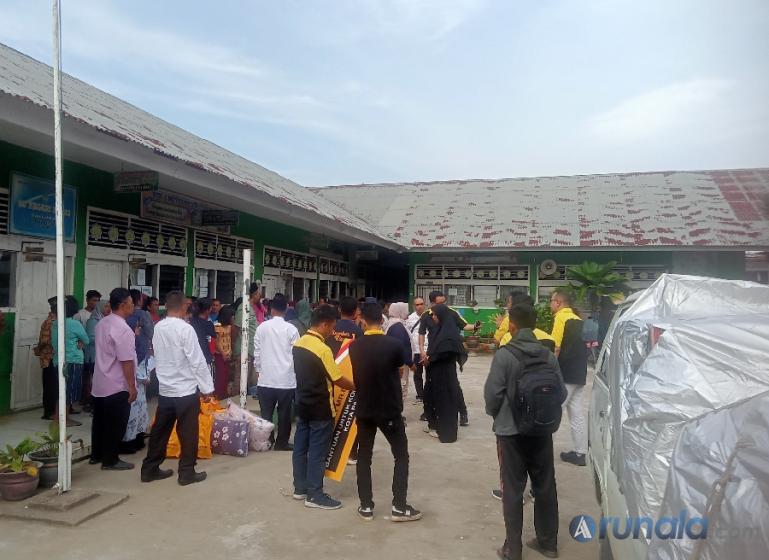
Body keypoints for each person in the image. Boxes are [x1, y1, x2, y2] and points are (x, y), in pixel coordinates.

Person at [485, 304, 565, 560]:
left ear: (512, 325)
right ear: (534, 325)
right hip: (542, 431)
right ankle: (548, 543)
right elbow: (561, 393)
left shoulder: (504, 355)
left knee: (512, 488)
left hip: (510, 433)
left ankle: (513, 549)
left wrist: (499, 415)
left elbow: (492, 396)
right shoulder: (548, 355)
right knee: (544, 485)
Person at [349, 303, 422, 522]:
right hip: (389, 409)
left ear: (362, 320)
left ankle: (366, 506)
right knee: (401, 456)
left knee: (364, 456)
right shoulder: (394, 345)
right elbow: (401, 371)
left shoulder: (355, 347)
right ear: (382, 321)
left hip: (364, 409)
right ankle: (399, 506)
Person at [141, 291, 215, 486]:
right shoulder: (185, 329)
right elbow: (197, 361)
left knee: (160, 431)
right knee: (188, 432)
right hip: (185, 390)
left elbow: (157, 354)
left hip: (166, 389)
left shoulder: (158, 327)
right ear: (183, 307)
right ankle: (186, 472)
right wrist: (207, 388)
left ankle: (149, 469)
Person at [291, 304, 354, 510]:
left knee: (301, 447)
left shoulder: (299, 343)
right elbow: (336, 379)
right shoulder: (322, 349)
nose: (333, 331)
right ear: (325, 324)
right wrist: (357, 386)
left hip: (302, 404)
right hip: (320, 407)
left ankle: (300, 488)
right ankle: (315, 494)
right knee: (318, 452)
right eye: (332, 326)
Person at [91, 288, 138, 471]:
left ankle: (97, 455)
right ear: (124, 305)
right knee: (116, 424)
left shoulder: (102, 323)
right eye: (132, 303)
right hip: (117, 384)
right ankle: (110, 460)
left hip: (101, 381)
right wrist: (132, 387)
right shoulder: (123, 329)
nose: (133, 306)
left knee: (100, 422)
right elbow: (126, 361)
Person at [418, 291, 477, 427]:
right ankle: (430, 413)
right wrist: (422, 351)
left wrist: (475, 327)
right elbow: (421, 334)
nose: (443, 306)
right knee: (431, 384)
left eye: (444, 302)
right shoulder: (426, 315)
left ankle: (462, 413)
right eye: (439, 303)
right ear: (432, 303)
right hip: (433, 354)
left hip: (448, 353)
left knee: (453, 384)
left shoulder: (451, 313)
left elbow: (464, 325)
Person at [254, 294, 299, 451]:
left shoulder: (261, 328)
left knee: (266, 413)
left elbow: (257, 352)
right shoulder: (291, 329)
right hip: (286, 380)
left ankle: (267, 441)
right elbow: (296, 354)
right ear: (286, 309)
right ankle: (282, 443)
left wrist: (259, 370)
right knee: (284, 413)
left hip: (266, 378)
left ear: (271, 309)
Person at [550, 288, 588, 467]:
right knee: (577, 413)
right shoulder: (579, 320)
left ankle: (543, 450)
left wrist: (548, 370)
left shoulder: (561, 317)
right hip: (579, 374)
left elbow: (555, 347)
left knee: (553, 410)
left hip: (565, 373)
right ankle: (580, 453)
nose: (550, 304)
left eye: (552, 301)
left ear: (558, 302)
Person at [422, 303, 467, 443]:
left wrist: (431, 358)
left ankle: (448, 434)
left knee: (446, 403)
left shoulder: (448, 335)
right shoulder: (441, 330)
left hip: (445, 377)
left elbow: (447, 352)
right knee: (437, 402)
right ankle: (439, 428)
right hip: (438, 375)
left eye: (435, 314)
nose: (433, 317)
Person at [51, 295, 90, 424]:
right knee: (69, 391)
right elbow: (86, 340)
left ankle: (58, 417)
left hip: (58, 361)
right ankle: (64, 419)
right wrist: (80, 341)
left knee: (61, 390)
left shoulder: (55, 323)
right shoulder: (74, 324)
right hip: (73, 361)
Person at [84, 299, 111, 413]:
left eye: (109, 306)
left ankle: (97, 404)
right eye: (106, 307)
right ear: (100, 307)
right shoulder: (93, 321)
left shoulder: (105, 320)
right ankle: (93, 405)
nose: (108, 309)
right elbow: (90, 339)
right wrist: (106, 340)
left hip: (102, 357)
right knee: (96, 381)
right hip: (93, 355)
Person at [385, 302, 414, 406]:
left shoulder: (392, 323)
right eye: (406, 310)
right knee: (401, 386)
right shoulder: (398, 327)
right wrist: (410, 363)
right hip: (400, 364)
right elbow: (403, 347)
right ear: (400, 311)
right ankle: (398, 413)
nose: (408, 313)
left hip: (393, 362)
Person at [233, 285, 259, 395]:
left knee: (247, 381)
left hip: (251, 349)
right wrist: (232, 344)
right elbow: (236, 328)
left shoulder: (251, 308)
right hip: (244, 350)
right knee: (240, 381)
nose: (260, 296)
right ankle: (235, 406)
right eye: (258, 293)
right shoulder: (244, 307)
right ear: (254, 294)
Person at [34, 298, 57, 420]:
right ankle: (48, 412)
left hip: (52, 357)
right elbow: (44, 341)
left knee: (52, 385)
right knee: (50, 385)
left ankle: (52, 411)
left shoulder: (55, 321)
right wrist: (38, 349)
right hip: (49, 358)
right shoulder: (51, 322)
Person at [405, 297, 427, 403]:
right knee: (417, 375)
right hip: (416, 351)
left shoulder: (430, 316)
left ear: (425, 304)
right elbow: (407, 335)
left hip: (428, 351)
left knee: (431, 375)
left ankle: (430, 395)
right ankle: (420, 395)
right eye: (417, 305)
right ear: (414, 306)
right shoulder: (409, 318)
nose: (419, 306)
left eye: (421, 304)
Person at [189, 297, 217, 372]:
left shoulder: (190, 321)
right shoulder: (208, 324)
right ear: (207, 310)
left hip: (191, 358)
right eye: (211, 308)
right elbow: (213, 341)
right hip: (205, 358)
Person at [214, 306, 234, 399]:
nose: (233, 317)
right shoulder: (218, 327)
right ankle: (219, 396)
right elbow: (216, 342)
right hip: (220, 355)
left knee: (226, 376)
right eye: (231, 315)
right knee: (220, 377)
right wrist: (223, 354)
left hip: (228, 354)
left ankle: (224, 395)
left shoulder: (230, 327)